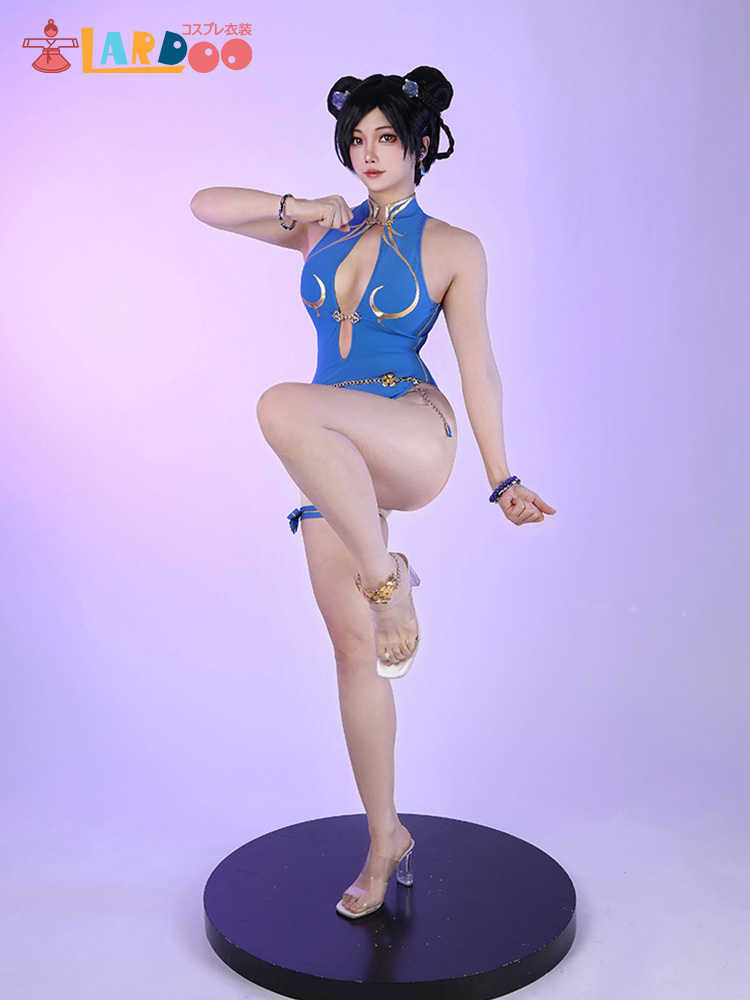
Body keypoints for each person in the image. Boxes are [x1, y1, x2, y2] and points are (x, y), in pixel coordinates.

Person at [190, 66, 556, 920]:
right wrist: (300, 207)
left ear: (420, 144)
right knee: (357, 656)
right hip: (334, 461)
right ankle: (385, 836)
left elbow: (479, 369)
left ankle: (389, 580)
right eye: (358, 140)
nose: (370, 154)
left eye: (387, 137)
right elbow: (206, 206)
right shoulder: (326, 229)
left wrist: (500, 476)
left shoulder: (455, 246)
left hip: (409, 430)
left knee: (278, 404)